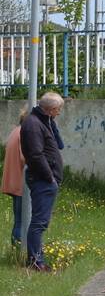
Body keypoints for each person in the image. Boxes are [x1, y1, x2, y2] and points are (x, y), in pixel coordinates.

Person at [19, 92, 65, 271]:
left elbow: (59, 145)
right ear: (50, 109)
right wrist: (49, 177)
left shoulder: (44, 121)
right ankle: (36, 262)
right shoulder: (33, 124)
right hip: (42, 179)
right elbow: (35, 155)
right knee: (39, 222)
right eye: (58, 109)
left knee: (41, 222)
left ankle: (37, 259)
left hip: (47, 180)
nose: (59, 113)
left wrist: (52, 123)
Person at [2, 108, 27, 246]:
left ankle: (16, 250)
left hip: (14, 181)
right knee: (22, 221)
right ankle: (19, 251)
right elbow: (25, 158)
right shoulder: (24, 133)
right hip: (22, 182)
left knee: (18, 219)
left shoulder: (15, 131)